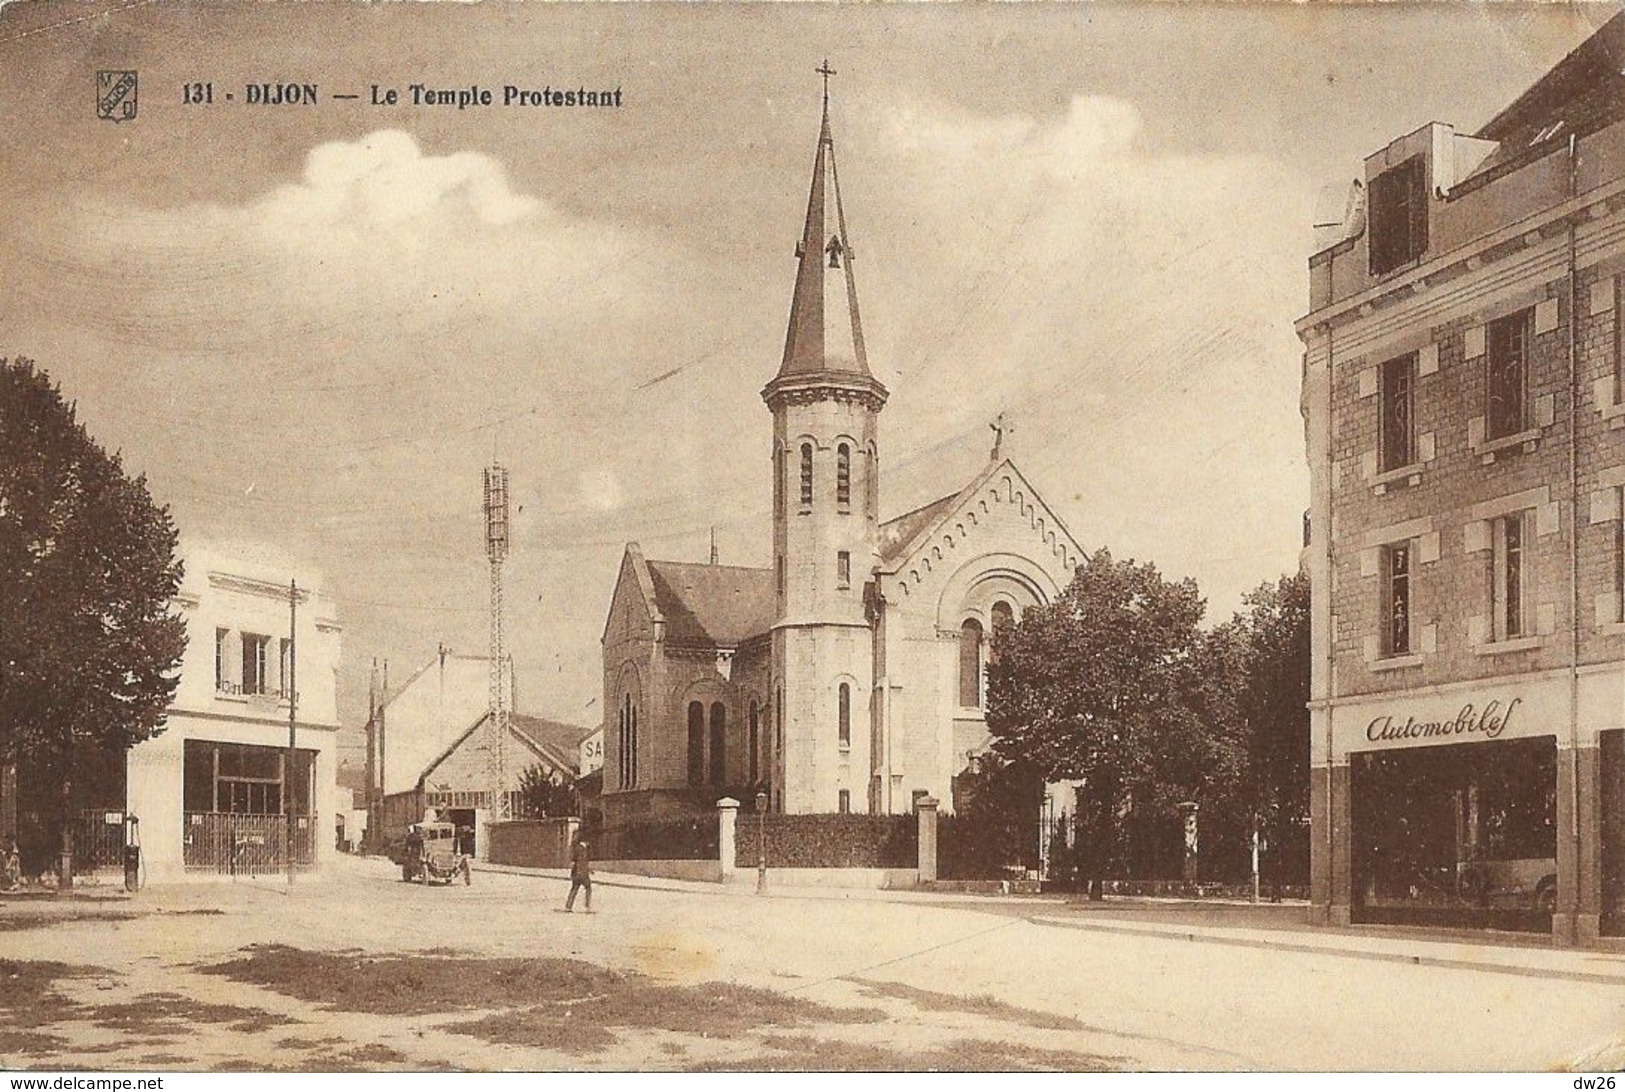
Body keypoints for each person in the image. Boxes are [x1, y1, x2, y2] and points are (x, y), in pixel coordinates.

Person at [564, 835, 593, 912]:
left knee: (574, 889)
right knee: (588, 888)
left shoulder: (576, 848)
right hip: (582, 873)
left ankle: (568, 906)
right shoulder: (583, 849)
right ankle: (587, 907)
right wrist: (587, 870)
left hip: (575, 872)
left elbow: (574, 859)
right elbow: (583, 862)